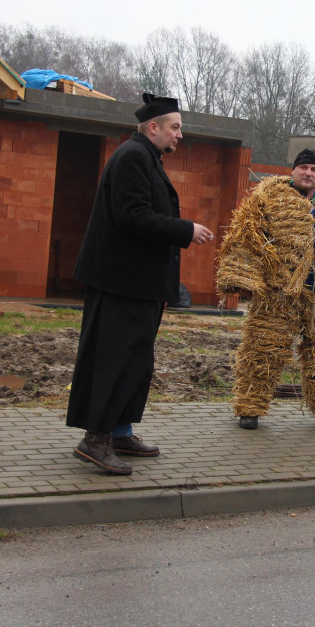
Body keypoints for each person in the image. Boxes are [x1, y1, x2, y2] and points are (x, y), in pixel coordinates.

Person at [67, 93, 215, 475]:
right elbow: (132, 216)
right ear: (154, 127)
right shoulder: (133, 157)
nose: (180, 135)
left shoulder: (144, 157)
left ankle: (119, 431)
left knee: (136, 361)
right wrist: (186, 230)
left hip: (137, 284)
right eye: (175, 127)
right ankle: (95, 439)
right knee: (114, 360)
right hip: (122, 284)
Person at [217, 148, 315, 430]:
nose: (308, 173)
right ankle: (250, 409)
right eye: (303, 168)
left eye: (314, 169)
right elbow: (245, 237)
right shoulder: (268, 199)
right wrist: (241, 277)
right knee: (263, 351)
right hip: (278, 294)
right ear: (293, 171)